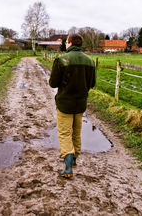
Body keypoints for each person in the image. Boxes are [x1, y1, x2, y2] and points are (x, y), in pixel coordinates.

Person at [49, 34, 96, 178]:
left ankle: (68, 167)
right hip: (80, 103)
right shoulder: (90, 61)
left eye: (66, 42)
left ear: (69, 43)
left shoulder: (61, 60)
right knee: (76, 132)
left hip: (65, 103)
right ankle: (74, 159)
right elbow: (92, 84)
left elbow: (53, 83)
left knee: (64, 133)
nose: (65, 44)